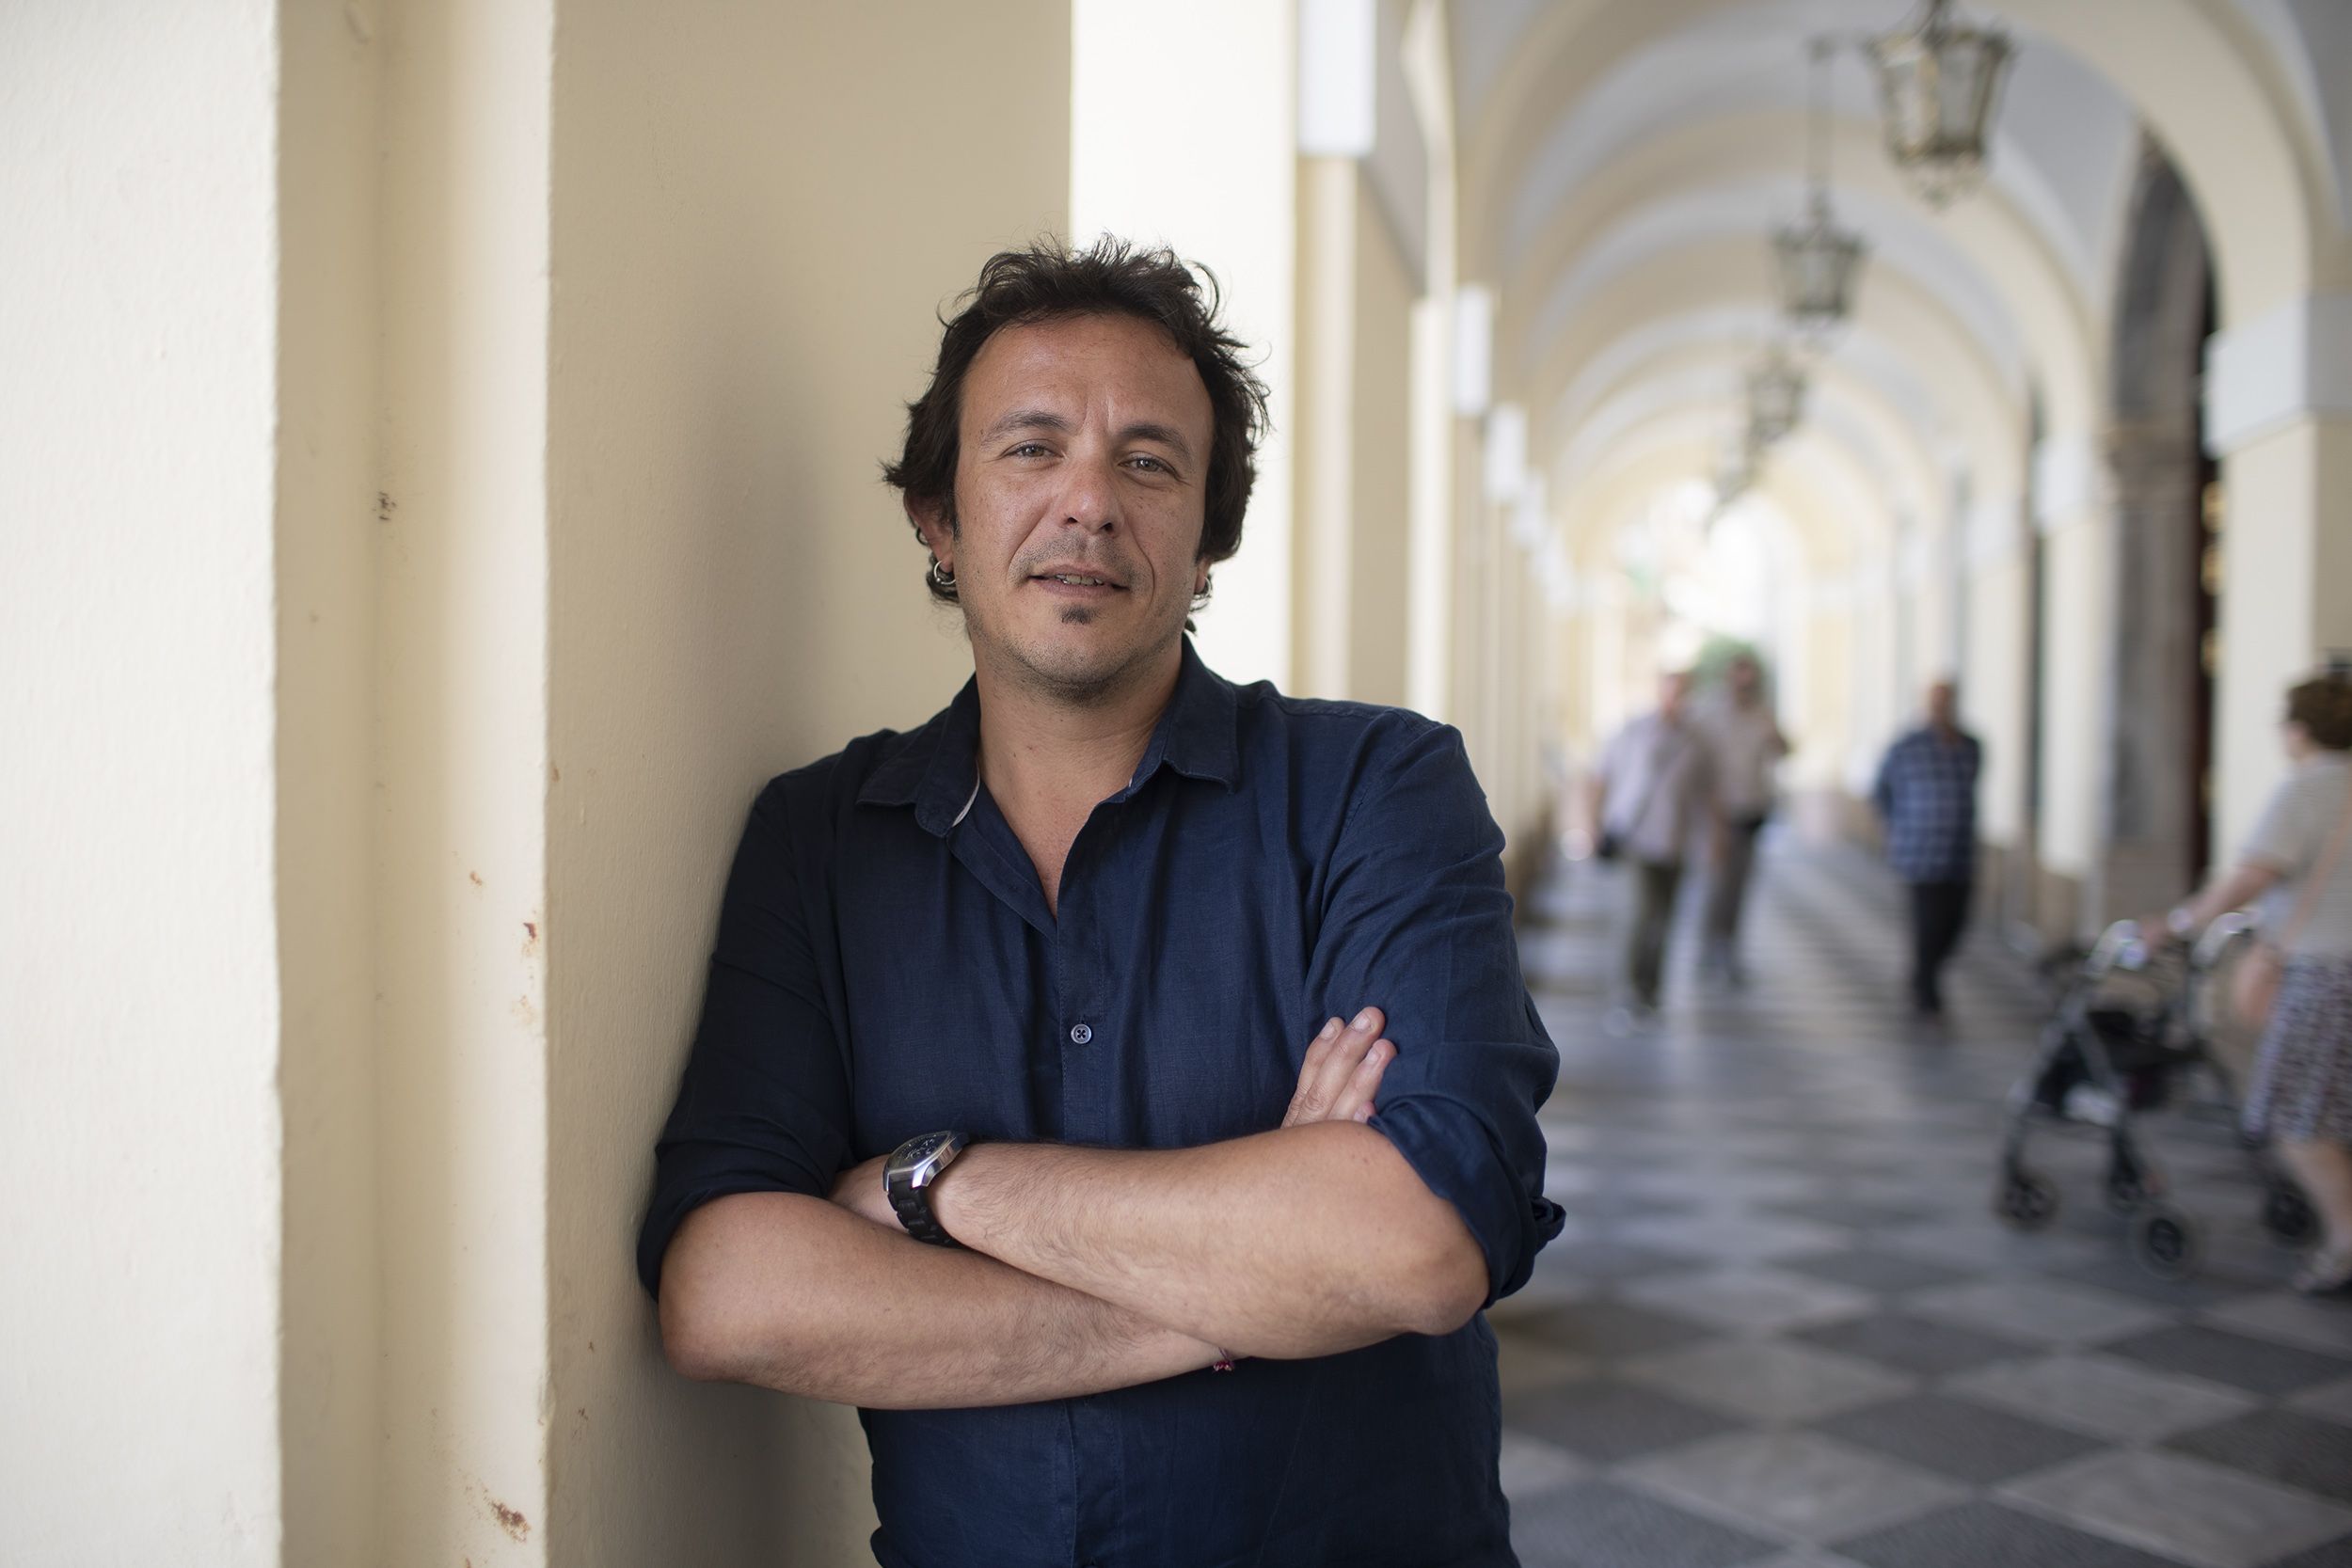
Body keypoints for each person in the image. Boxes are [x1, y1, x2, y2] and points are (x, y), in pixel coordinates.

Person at [637, 239, 1564, 1568]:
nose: (1089, 502)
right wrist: (1238, 1297)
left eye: (1148, 459)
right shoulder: (822, 841)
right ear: (938, 517)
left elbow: (1416, 1242)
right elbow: (726, 1289)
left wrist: (935, 1184)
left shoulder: (1377, 786)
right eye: (1029, 448)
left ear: (1206, 540)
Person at [2148, 673, 2352, 1293]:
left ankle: (2348, 1239)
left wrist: (2176, 923)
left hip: (2325, 976)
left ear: (2298, 730)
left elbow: (2250, 877)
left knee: (2296, 1120)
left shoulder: (2307, 790)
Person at [1591, 670, 1719, 1018]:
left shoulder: (1698, 741)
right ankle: (1626, 992)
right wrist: (1593, 824)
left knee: (1664, 919)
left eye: (1683, 693)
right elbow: (1600, 777)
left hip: (1676, 841)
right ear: (1659, 692)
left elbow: (1708, 794)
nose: (1676, 700)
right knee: (1637, 915)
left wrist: (1712, 839)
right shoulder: (1632, 732)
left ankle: (1651, 989)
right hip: (1635, 837)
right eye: (1671, 692)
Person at [1872, 679, 1982, 1015]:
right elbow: (1880, 790)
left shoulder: (1971, 745)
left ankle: (1927, 974)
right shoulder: (1907, 746)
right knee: (1928, 923)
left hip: (1959, 853)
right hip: (1920, 853)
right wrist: (1900, 827)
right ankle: (1925, 988)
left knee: (1956, 922)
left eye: (1947, 701)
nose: (1941, 708)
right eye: (1936, 702)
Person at [1695, 651, 1789, 986]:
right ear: (1729, 679)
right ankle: (1709, 951)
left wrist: (1772, 729)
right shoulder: (1710, 714)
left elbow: (1784, 750)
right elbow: (1699, 765)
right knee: (1718, 885)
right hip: (1719, 811)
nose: (1744, 687)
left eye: (1751, 681)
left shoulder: (1762, 714)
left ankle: (1729, 949)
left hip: (1753, 810)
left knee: (1740, 886)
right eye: (1740, 679)